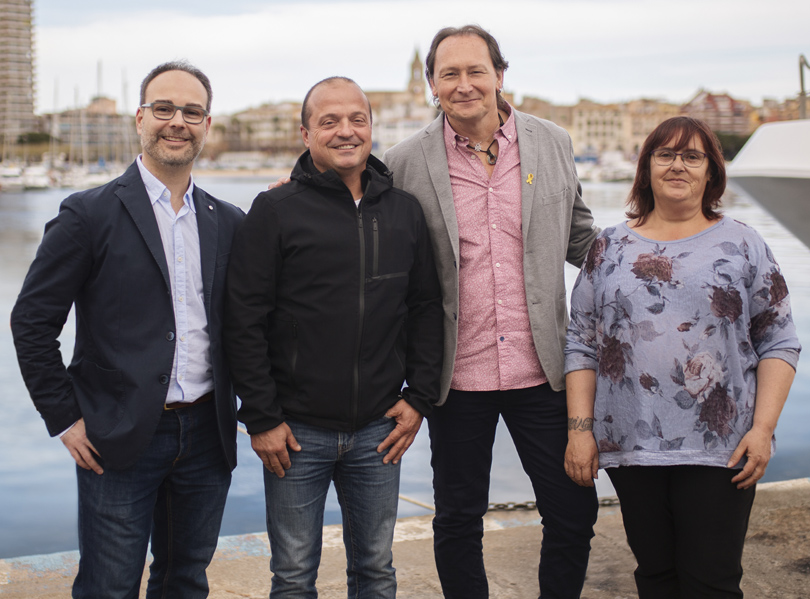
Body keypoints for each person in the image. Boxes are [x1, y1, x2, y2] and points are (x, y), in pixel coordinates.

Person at [10, 61, 244, 598]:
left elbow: (253, 319)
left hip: (208, 435)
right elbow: (31, 322)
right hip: (116, 437)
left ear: (207, 125)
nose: (176, 121)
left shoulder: (229, 220)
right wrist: (64, 417)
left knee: (185, 581)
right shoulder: (87, 214)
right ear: (140, 118)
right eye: (163, 108)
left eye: (191, 111)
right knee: (108, 587)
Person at [383, 25, 600, 599]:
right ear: (432, 84)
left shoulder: (550, 141)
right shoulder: (404, 161)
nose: (463, 84)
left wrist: (660, 252)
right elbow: (360, 225)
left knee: (574, 513)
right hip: (456, 376)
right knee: (457, 519)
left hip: (544, 370)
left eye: (475, 70)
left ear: (500, 75)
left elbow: (582, 237)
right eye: (448, 74)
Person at [224, 76, 443, 598]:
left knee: (375, 571)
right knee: (294, 576)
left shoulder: (404, 211)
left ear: (372, 127)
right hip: (295, 434)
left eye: (357, 120)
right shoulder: (275, 210)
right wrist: (262, 417)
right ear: (306, 133)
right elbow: (244, 319)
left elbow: (427, 310)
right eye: (329, 121)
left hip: (377, 432)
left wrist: (419, 399)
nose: (346, 131)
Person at [564, 116, 801, 599]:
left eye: (692, 156)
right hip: (632, 446)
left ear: (711, 172)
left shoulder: (742, 244)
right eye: (665, 154)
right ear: (646, 167)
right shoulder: (608, 247)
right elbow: (581, 343)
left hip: (722, 447)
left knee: (710, 581)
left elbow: (779, 341)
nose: (678, 165)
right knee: (655, 577)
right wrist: (580, 432)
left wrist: (762, 430)